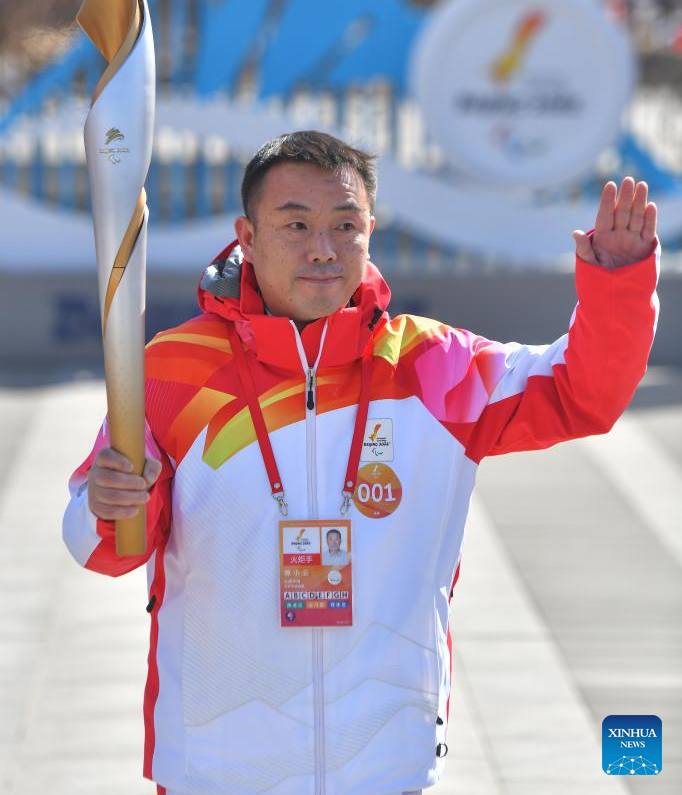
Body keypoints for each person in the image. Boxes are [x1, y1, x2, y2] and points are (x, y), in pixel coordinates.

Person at [63, 131, 659, 795]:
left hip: (385, 766)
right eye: (295, 224)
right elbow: (101, 543)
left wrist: (617, 288)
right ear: (247, 234)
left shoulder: (434, 367)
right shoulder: (173, 370)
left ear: (370, 230)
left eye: (345, 224)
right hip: (218, 767)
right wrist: (111, 505)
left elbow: (583, 392)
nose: (323, 248)